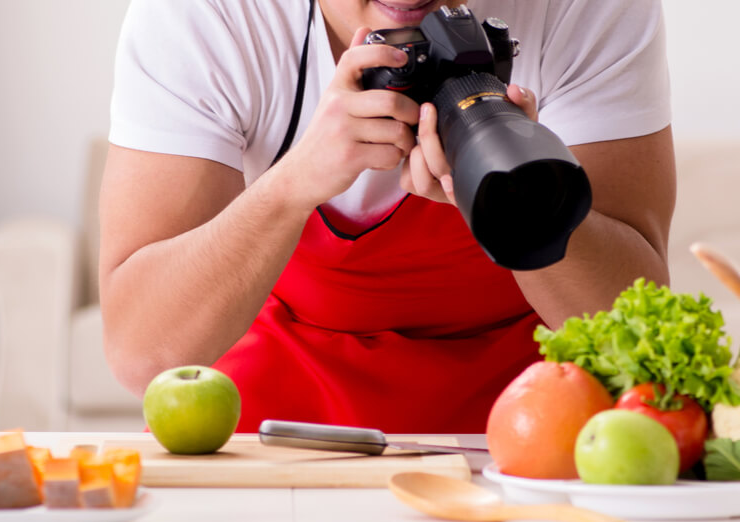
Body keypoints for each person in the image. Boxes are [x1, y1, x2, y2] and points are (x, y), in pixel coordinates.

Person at [99, 0, 675, 434]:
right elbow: (142, 352)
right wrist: (291, 185)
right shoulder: (213, 16)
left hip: (527, 422)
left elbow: (633, 327)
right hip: (283, 429)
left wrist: (517, 198)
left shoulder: (585, 9)